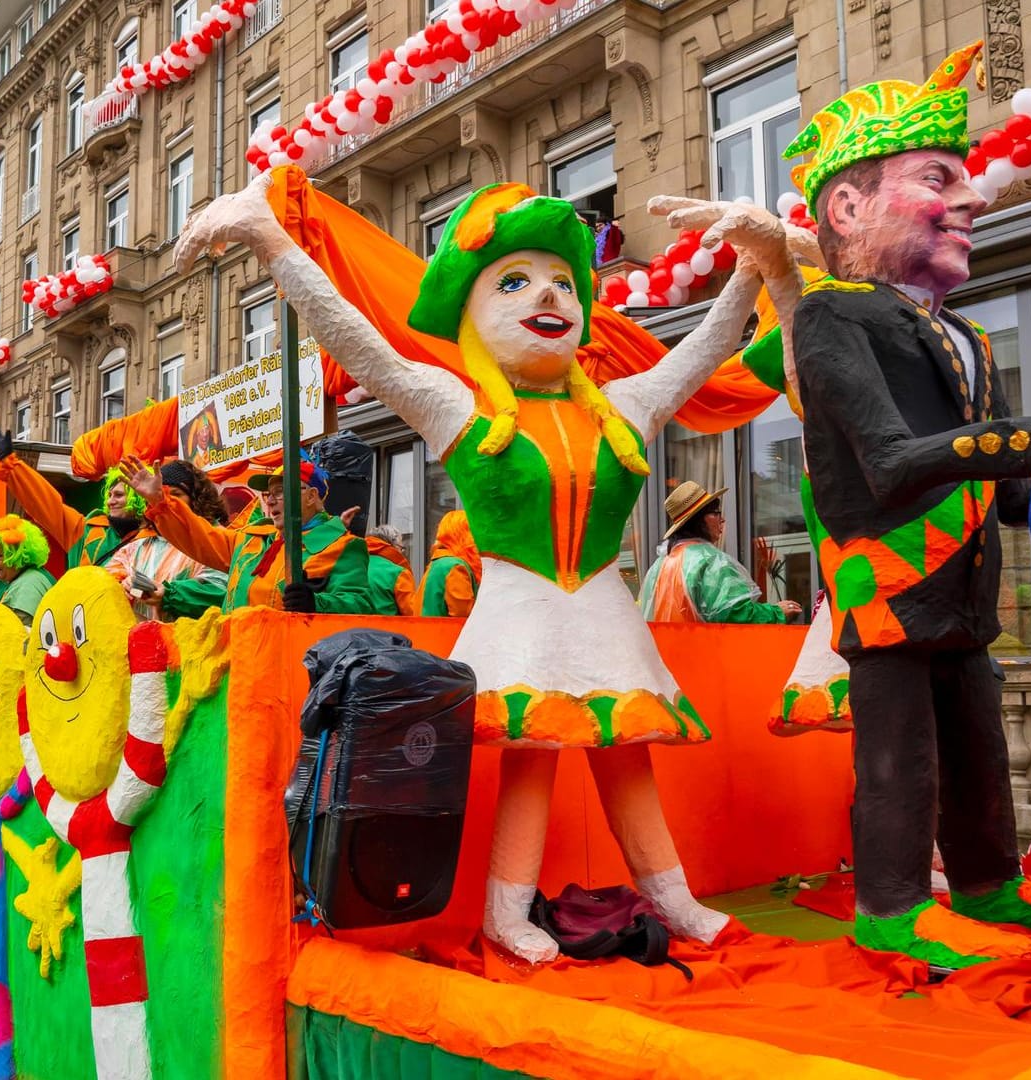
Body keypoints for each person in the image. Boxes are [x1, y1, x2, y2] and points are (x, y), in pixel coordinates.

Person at [177, 168, 807, 957]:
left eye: (563, 284)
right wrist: (272, 243)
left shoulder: (626, 407)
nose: (548, 299)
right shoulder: (456, 406)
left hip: (602, 607)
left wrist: (752, 267)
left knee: (626, 757)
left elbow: (709, 346)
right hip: (522, 612)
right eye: (515, 282)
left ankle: (671, 898)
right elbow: (356, 342)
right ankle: (506, 914)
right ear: (472, 313)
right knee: (532, 763)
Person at [785, 42, 1031, 968]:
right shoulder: (830, 315)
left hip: (966, 596)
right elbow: (890, 465)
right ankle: (889, 906)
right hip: (886, 584)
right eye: (939, 178)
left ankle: (987, 883)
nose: (972, 200)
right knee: (899, 755)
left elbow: (1005, 494)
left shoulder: (969, 337)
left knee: (977, 740)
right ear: (848, 205)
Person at [125, 457, 377, 613]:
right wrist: (160, 500)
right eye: (269, 494)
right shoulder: (252, 539)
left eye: (282, 491)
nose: (271, 500)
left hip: (288, 671)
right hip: (239, 666)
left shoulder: (343, 546)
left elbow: (360, 605)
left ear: (312, 496)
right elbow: (198, 536)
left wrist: (317, 603)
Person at [0, 427, 150, 568]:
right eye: (109, 495)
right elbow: (46, 503)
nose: (110, 501)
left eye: (119, 495)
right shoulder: (86, 530)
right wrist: (12, 466)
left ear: (140, 497)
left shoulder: (155, 539)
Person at [641, 481, 801, 623]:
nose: (722, 519)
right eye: (716, 512)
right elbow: (734, 614)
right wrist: (777, 613)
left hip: (664, 653)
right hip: (701, 653)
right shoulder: (709, 559)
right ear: (699, 519)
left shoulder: (660, 564)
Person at [109, 459, 233, 621]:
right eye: (161, 495)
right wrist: (124, 584)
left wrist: (169, 594)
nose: (168, 501)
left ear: (196, 498)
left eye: (175, 495)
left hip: (192, 642)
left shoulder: (216, 537)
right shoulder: (143, 542)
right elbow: (108, 576)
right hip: (142, 642)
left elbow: (221, 591)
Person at [420, 509, 482, 617]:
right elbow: (465, 618)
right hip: (444, 633)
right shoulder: (455, 567)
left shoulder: (437, 564)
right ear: (465, 536)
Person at [363, 525, 421, 616]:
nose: (402, 552)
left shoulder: (354, 566)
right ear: (393, 545)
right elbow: (412, 613)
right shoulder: (398, 573)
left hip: (351, 628)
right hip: (387, 629)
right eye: (401, 548)